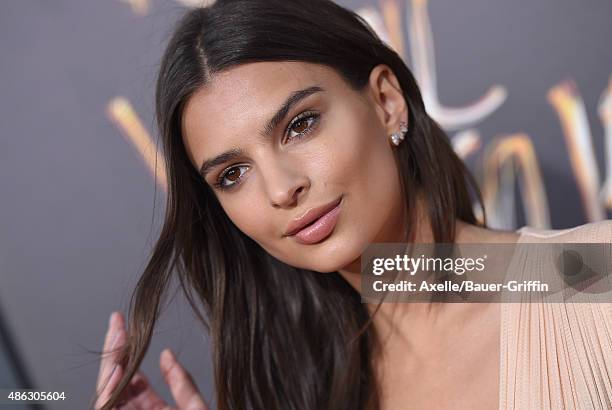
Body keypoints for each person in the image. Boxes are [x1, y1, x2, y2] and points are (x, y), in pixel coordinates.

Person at [93, 0, 612, 409]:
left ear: (386, 103)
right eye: (232, 174)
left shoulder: (592, 277)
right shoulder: (306, 391)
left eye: (300, 124)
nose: (280, 189)